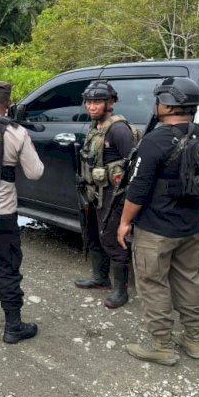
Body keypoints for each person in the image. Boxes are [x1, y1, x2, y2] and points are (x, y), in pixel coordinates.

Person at [118, 77, 199, 366]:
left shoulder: (155, 140)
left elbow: (137, 189)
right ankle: (193, 340)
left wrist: (124, 223)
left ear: (168, 104)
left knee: (153, 283)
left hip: (156, 229)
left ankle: (162, 344)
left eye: (158, 100)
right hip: (190, 226)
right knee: (188, 279)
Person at [0, 81, 44, 342]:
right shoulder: (16, 132)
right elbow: (35, 173)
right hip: (2, 213)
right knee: (7, 267)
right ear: (9, 105)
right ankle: (12, 326)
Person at [75, 80, 136, 310]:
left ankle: (121, 291)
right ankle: (100, 278)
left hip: (112, 195)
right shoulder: (96, 127)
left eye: (97, 102)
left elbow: (131, 167)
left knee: (112, 240)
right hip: (93, 192)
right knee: (93, 235)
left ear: (110, 102)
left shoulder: (118, 129)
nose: (92, 106)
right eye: (89, 102)